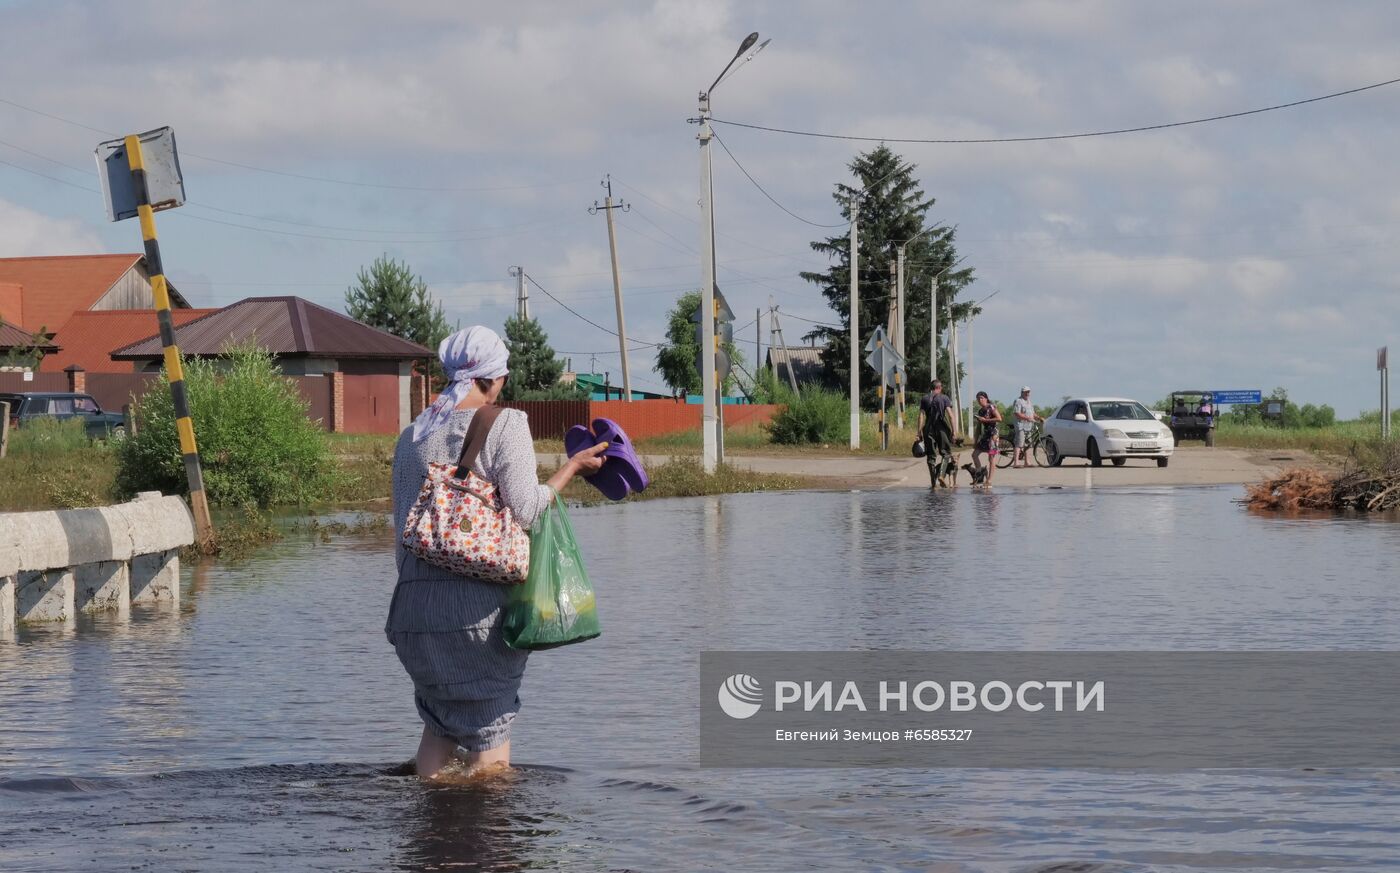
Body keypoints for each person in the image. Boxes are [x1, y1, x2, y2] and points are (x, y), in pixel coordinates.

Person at [386, 326, 608, 781]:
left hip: (412, 615)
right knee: (490, 736)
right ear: (491, 378)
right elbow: (526, 510)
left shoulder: (411, 435)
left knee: (438, 726)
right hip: (475, 618)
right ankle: (488, 848)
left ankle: (431, 842)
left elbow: (403, 529)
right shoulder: (506, 423)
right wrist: (572, 468)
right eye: (503, 373)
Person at [917, 380, 957, 488]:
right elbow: (950, 415)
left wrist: (919, 432)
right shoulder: (944, 398)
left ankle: (933, 483)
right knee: (946, 453)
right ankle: (941, 475)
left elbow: (921, 416)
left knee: (931, 456)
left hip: (928, 429)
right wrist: (954, 432)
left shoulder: (924, 399)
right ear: (940, 388)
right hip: (941, 429)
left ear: (931, 387)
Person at [965, 391, 1002, 487]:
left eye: (981, 398)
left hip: (993, 434)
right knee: (974, 454)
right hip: (985, 435)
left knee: (991, 457)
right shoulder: (980, 411)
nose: (980, 400)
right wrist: (975, 440)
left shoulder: (991, 407)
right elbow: (978, 427)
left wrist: (986, 420)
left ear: (986, 398)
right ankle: (980, 476)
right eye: (978, 399)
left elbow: (999, 419)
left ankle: (989, 480)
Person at [1010, 386, 1044, 468]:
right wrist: (1027, 418)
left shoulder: (1029, 401)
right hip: (1020, 425)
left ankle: (1027, 462)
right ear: (1022, 392)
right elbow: (1017, 413)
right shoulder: (1018, 401)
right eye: (1026, 392)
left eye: (1028, 392)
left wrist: (1039, 418)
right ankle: (1016, 463)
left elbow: (1033, 413)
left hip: (1029, 426)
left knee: (1028, 444)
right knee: (1019, 443)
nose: (1027, 393)